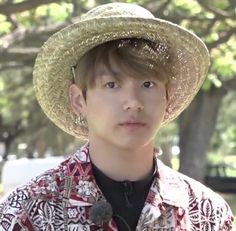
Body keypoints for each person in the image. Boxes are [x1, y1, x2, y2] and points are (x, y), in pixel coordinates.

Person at [0, 2, 234, 231]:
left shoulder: (207, 215)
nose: (133, 102)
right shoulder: (27, 213)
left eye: (147, 83)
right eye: (111, 84)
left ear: (168, 96)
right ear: (79, 100)